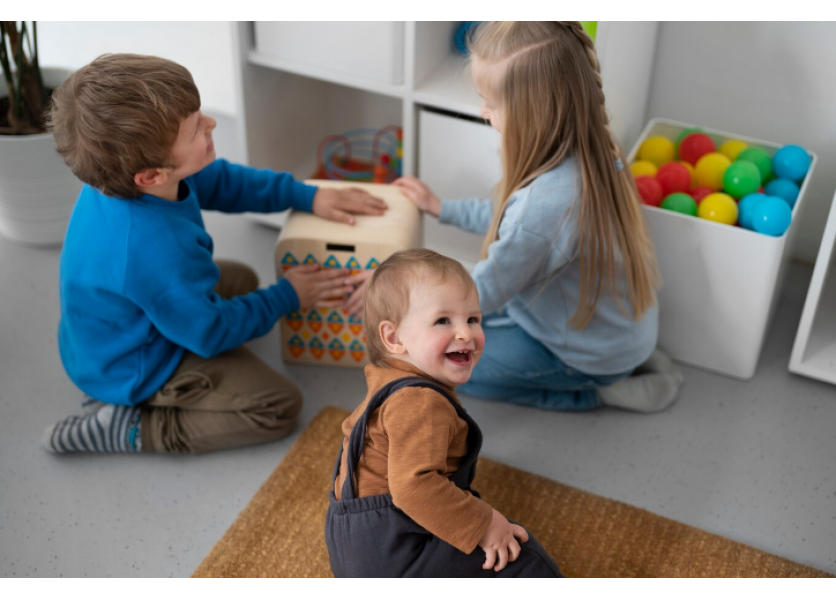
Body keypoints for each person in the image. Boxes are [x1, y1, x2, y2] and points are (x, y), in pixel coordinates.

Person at [41, 53, 387, 455]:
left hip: (111, 334)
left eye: (200, 114)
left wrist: (308, 194)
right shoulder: (154, 248)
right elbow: (209, 334)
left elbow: (222, 182)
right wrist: (288, 297)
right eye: (195, 130)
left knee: (239, 278)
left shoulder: (124, 179)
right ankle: (130, 426)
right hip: (134, 366)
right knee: (279, 406)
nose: (212, 124)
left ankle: (143, 376)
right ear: (152, 176)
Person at [390, 22, 683, 413]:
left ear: (531, 116)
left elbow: (482, 295)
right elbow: (506, 219)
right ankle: (632, 362)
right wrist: (442, 208)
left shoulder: (545, 206)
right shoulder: (595, 148)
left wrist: (409, 312)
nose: (483, 112)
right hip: (615, 334)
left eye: (490, 104)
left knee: (440, 366)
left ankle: (598, 392)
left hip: (582, 356)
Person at [325, 248, 561, 577]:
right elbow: (414, 488)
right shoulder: (421, 401)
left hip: (352, 547)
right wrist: (485, 523)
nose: (465, 333)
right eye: (443, 321)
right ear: (394, 338)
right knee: (522, 555)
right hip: (393, 555)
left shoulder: (387, 382)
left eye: (473, 319)